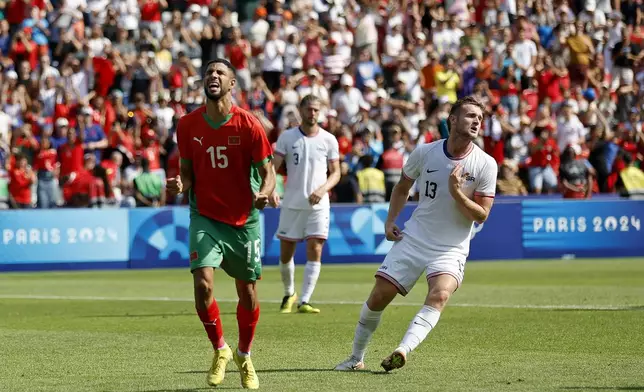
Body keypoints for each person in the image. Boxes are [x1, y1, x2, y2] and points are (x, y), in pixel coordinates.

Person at [334, 96, 498, 372]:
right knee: (378, 297)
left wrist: (457, 192)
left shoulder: (485, 164)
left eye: (479, 118)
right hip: (416, 238)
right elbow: (401, 188)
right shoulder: (425, 152)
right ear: (453, 120)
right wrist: (390, 222)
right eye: (470, 116)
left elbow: (482, 214)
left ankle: (403, 349)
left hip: (451, 247)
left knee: (440, 294)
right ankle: (355, 358)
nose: (476, 122)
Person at [166, 59, 275, 390]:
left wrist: (265, 193)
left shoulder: (249, 125)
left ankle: (244, 354)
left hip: (244, 219)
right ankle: (220, 349)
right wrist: (181, 185)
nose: (212, 76)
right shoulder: (187, 125)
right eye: (209, 72)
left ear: (232, 85)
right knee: (203, 285)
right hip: (205, 215)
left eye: (220, 73)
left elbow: (269, 172)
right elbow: (186, 171)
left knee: (248, 291)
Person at [269, 94, 341, 314]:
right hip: (292, 202)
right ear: (300, 110)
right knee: (286, 252)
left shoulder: (329, 139)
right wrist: (271, 188)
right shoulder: (287, 137)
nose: (312, 113)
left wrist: (322, 189)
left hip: (318, 205)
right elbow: (273, 166)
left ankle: (305, 300)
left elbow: (336, 172)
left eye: (316, 110)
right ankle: (289, 292)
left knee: (315, 248)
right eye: (309, 109)